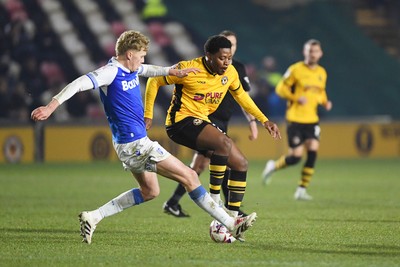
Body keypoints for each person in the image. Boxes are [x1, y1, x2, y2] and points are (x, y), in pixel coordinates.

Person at [30, 30, 257, 244]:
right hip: (135, 144)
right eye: (140, 56)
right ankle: (228, 222)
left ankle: (94, 216)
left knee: (150, 192)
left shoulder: (131, 68)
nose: (142, 59)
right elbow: (79, 83)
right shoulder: (110, 72)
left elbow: (149, 70)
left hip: (128, 143)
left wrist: (172, 71)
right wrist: (51, 107)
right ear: (129, 54)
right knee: (189, 176)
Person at [144, 35, 281, 232]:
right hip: (180, 123)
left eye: (229, 58)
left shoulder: (231, 72)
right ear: (208, 55)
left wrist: (264, 120)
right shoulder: (189, 68)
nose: (226, 63)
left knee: (241, 164)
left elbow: (242, 96)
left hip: (201, 122)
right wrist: (148, 114)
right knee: (223, 144)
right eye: (221, 58)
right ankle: (216, 204)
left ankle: (228, 222)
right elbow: (154, 81)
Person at [158, 30, 258, 218]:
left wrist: (253, 121)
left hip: (222, 120)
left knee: (209, 164)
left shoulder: (237, 68)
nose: (230, 49)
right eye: (227, 44)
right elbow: (158, 81)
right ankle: (224, 207)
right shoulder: (205, 67)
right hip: (206, 120)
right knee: (212, 162)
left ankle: (178, 203)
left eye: (233, 45)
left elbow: (243, 97)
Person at [261, 39, 332, 200]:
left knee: (313, 151)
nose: (312, 54)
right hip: (295, 118)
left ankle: (301, 189)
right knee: (296, 157)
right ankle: (273, 166)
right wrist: (295, 97)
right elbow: (280, 88)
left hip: (312, 119)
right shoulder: (295, 70)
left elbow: (320, 92)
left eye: (315, 51)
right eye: (309, 51)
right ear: (304, 52)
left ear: (320, 54)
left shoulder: (322, 72)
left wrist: (325, 102)